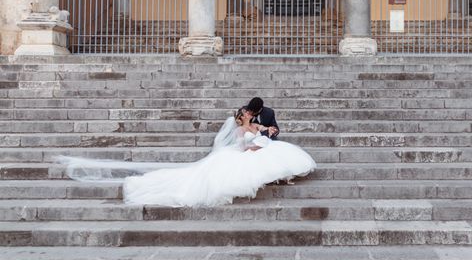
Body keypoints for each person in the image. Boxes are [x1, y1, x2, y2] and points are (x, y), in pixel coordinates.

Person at [57, 107, 315, 207]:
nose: (250, 114)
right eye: (247, 113)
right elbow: (240, 146)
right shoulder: (238, 129)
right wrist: (254, 147)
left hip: (255, 148)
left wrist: (268, 131)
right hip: (243, 153)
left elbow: (265, 131)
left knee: (275, 155)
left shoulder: (254, 125)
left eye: (250, 113)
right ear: (242, 117)